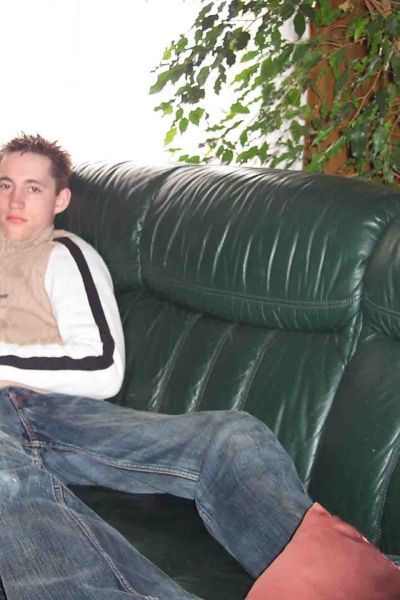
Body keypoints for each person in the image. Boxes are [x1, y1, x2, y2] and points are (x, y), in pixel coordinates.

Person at [0, 134, 398, 600]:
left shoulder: (64, 256)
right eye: (5, 185)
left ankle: (359, 583)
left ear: (61, 200)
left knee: (229, 437)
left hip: (46, 411)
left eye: (33, 188)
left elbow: (102, 367)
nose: (15, 200)